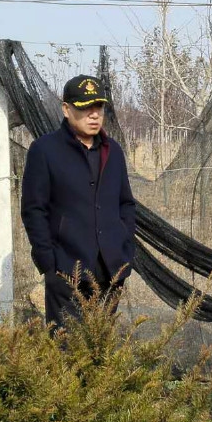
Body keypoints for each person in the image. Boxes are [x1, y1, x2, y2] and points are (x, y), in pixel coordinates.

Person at [20, 74, 137, 326]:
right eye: (85, 108)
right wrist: (49, 264)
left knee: (103, 347)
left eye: (99, 108)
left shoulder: (112, 151)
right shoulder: (45, 150)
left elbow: (125, 203)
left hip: (111, 269)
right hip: (67, 270)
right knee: (67, 349)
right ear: (66, 109)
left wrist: (125, 247)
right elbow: (33, 210)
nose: (94, 115)